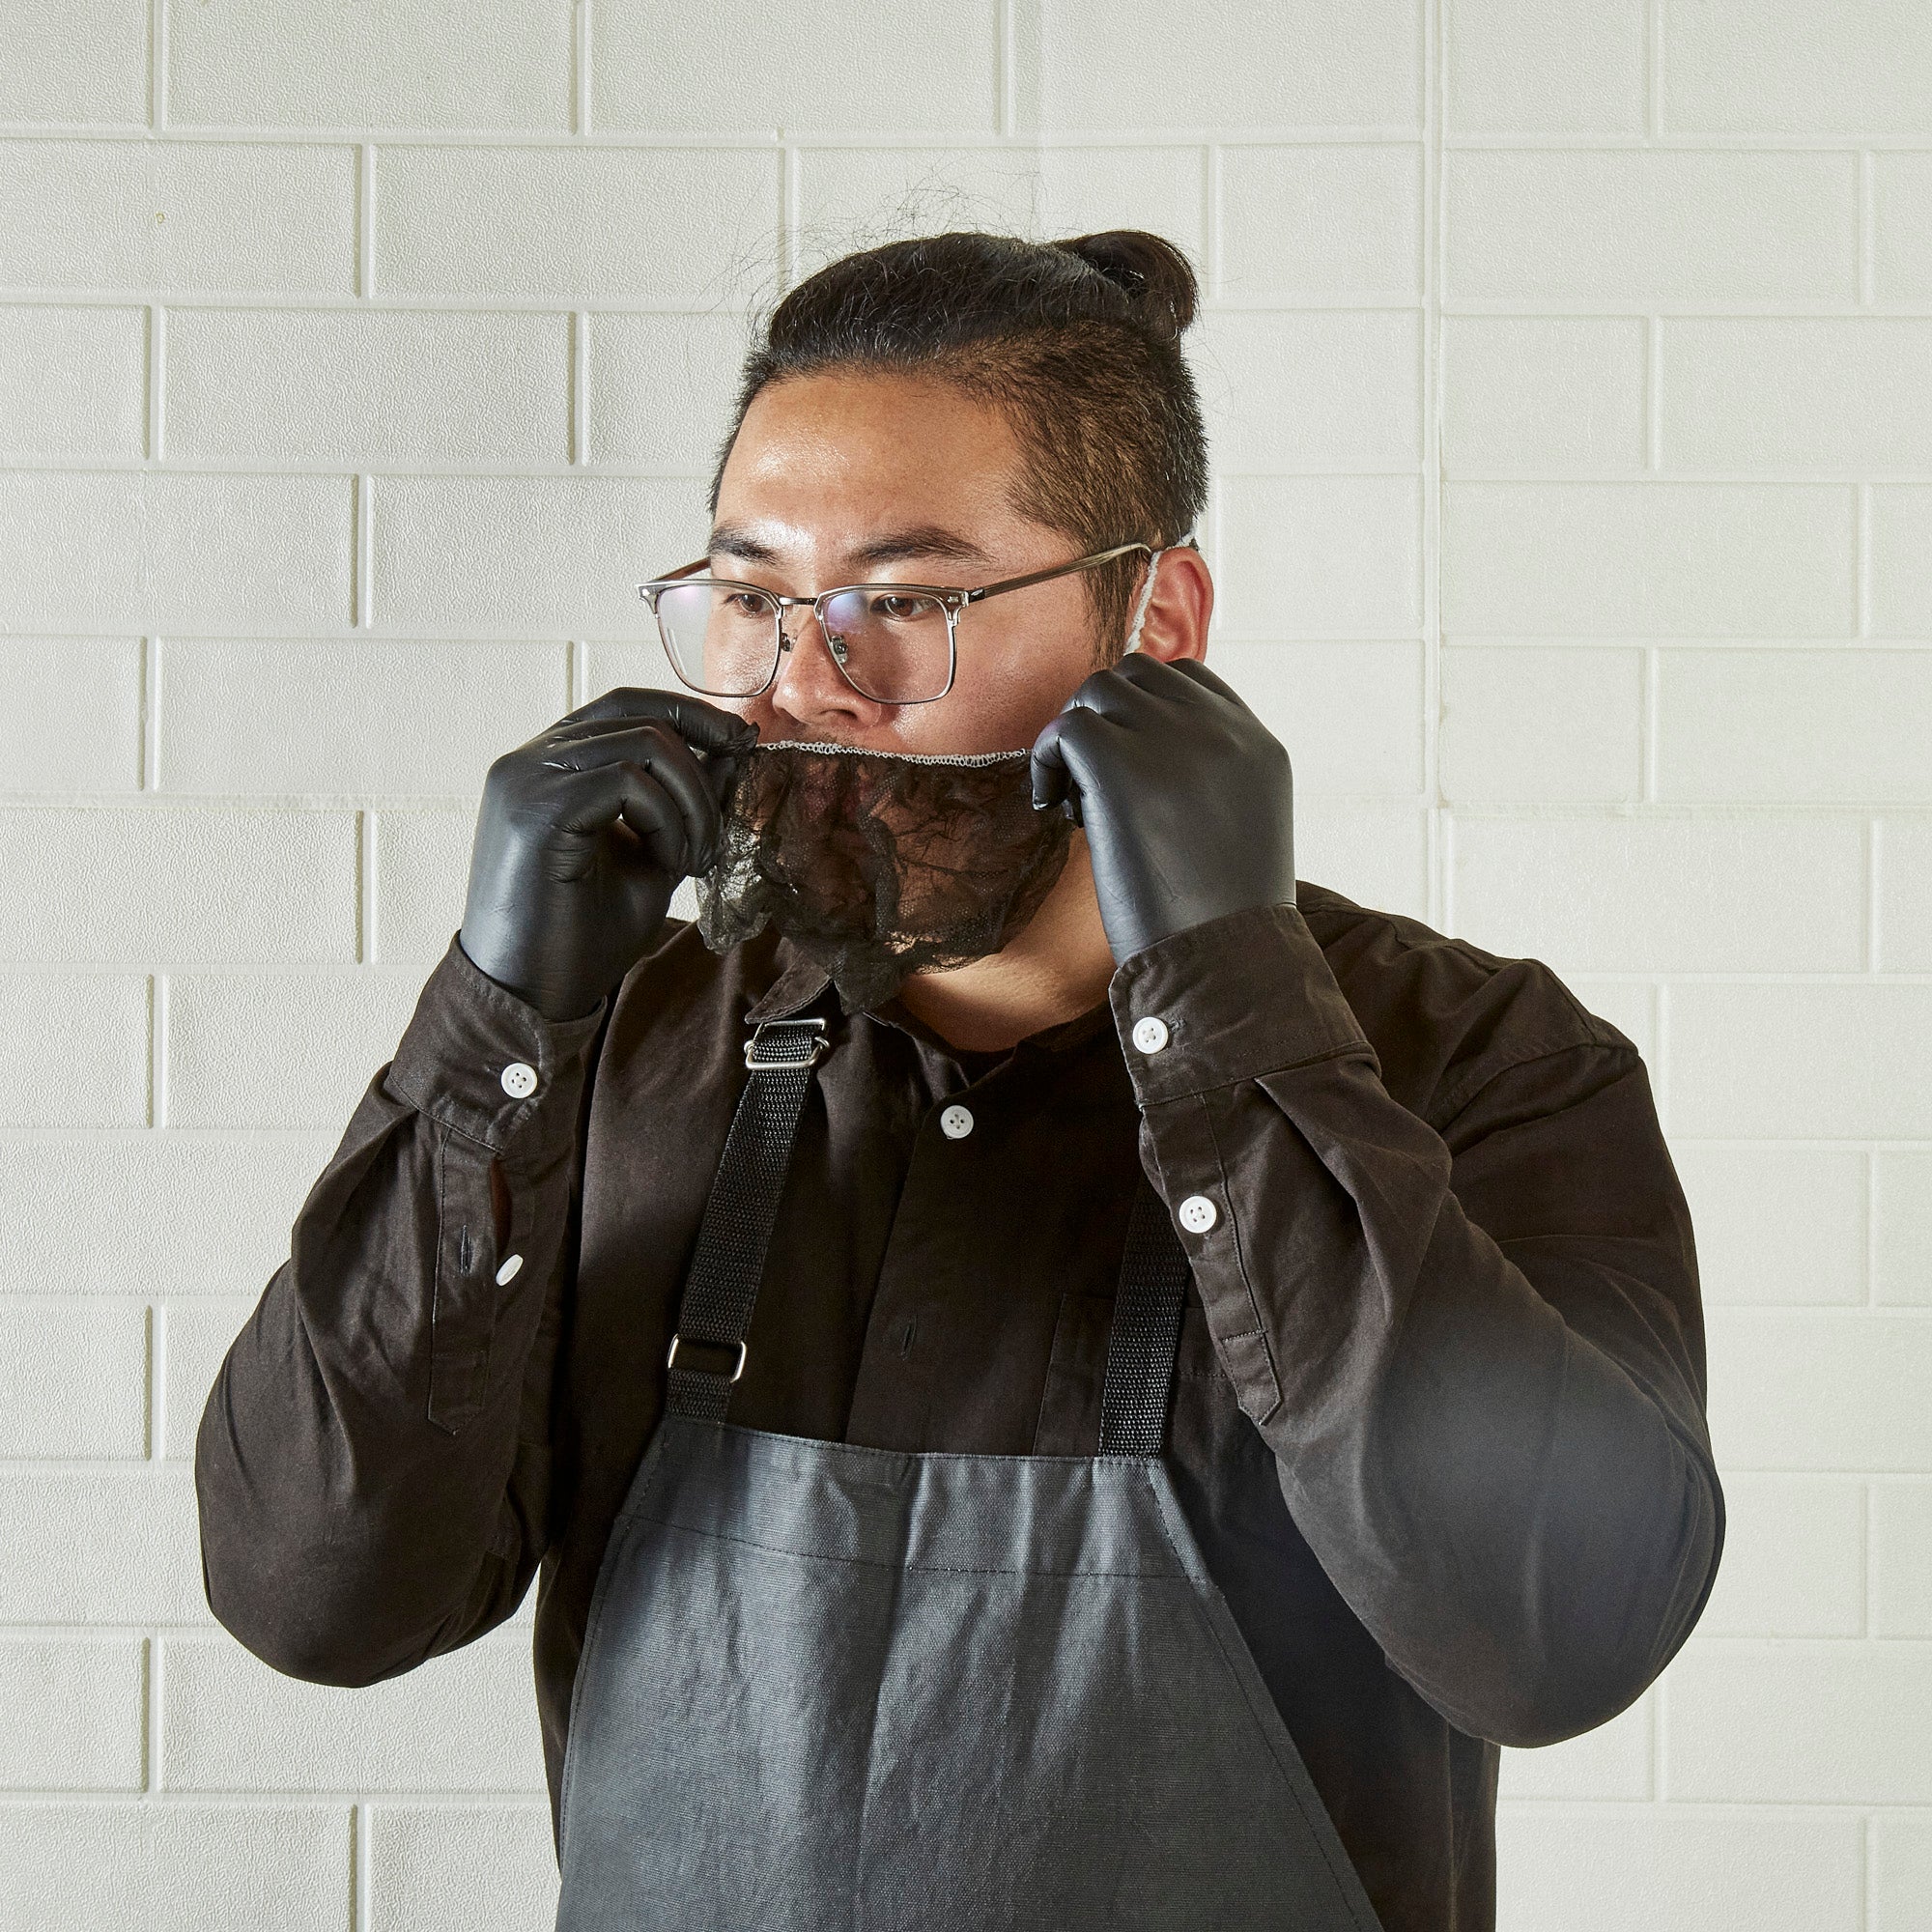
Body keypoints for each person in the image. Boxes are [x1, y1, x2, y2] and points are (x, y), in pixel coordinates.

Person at [194, 230, 1722, 1932]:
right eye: (757, 600)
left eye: (906, 604)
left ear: (1158, 622)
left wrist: (1230, 1001)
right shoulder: (621, 1051)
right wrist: (493, 1028)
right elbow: (312, 1592)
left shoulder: (1483, 1066)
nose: (803, 688)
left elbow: (1557, 1640)